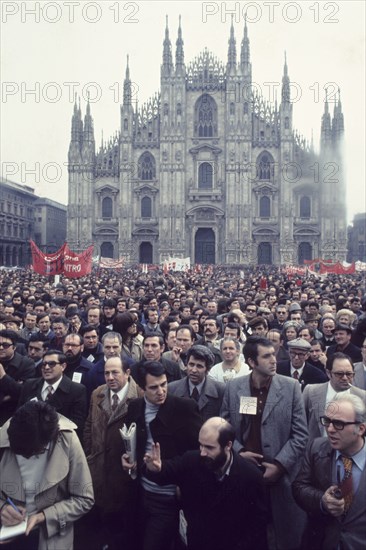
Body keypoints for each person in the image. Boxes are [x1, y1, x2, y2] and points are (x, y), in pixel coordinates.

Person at [221, 336, 308, 550]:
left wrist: (279, 465)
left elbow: (300, 435)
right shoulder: (234, 388)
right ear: (251, 362)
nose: (274, 360)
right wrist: (239, 453)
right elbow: (225, 427)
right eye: (266, 356)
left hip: (281, 478)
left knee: (282, 538)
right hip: (245, 474)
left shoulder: (291, 387)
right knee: (246, 535)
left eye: (274, 355)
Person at [144, 417, 268, 550]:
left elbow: (257, 526)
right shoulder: (192, 460)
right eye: (200, 445)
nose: (202, 452)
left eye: (209, 447)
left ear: (228, 446)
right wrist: (155, 469)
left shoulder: (251, 477)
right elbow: (167, 471)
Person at [121, 361, 202, 550]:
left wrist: (164, 467)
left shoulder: (185, 408)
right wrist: (126, 458)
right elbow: (131, 442)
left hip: (169, 496)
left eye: (164, 384)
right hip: (142, 492)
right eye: (154, 387)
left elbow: (198, 453)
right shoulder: (135, 407)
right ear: (142, 388)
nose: (161, 391)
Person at [0, 401, 94, 550]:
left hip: (52, 536)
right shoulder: (5, 438)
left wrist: (44, 516)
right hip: (9, 534)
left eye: (35, 454)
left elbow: (84, 498)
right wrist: (3, 508)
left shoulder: (67, 440)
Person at [292, 394, 366, 550]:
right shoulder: (316, 448)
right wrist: (322, 501)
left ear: (361, 429)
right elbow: (299, 487)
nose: (330, 430)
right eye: (327, 421)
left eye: (338, 424)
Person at [83, 356, 142, 550]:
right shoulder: (97, 393)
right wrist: (90, 453)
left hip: (124, 472)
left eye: (115, 372)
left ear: (127, 373)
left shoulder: (139, 396)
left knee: (123, 523)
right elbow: (89, 424)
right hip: (99, 468)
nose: (109, 377)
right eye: (106, 373)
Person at [18, 349, 87, 436]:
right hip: (30, 439)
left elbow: (77, 424)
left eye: (52, 364)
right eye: (44, 364)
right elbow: (19, 415)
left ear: (63, 366)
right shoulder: (29, 385)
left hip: (59, 441)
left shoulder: (77, 390)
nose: (46, 367)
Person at [302, 352, 366, 441]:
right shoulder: (311, 391)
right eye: (339, 374)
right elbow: (300, 425)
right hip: (316, 452)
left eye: (349, 374)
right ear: (328, 373)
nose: (345, 378)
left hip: (347, 453)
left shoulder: (363, 397)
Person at [168, 345, 225, 422]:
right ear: (186, 365)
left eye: (199, 366)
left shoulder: (220, 390)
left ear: (207, 370)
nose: (194, 370)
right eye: (191, 364)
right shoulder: (172, 389)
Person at [0, 329, 36, 426]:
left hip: (11, 414)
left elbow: (24, 392)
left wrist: (3, 376)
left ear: (14, 347)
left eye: (5, 345)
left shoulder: (27, 364)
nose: (1, 347)